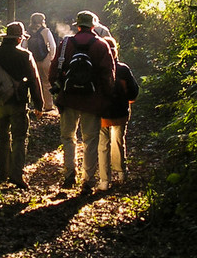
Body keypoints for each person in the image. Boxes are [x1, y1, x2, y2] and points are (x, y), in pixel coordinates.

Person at [49, 10, 115, 194]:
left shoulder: (66, 43)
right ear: (93, 25)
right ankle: (88, 180)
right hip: (92, 100)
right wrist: (107, 97)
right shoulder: (101, 45)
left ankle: (69, 174)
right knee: (90, 139)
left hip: (68, 97)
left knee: (68, 137)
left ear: (77, 25)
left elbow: (54, 69)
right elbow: (108, 74)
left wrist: (57, 88)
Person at [0, 21, 44, 189]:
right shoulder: (25, 55)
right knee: (19, 138)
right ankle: (16, 175)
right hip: (18, 102)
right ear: (19, 39)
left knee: (2, 138)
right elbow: (34, 81)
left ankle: (1, 174)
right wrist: (38, 104)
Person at [98, 36, 139, 190]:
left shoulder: (97, 69)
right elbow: (133, 92)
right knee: (118, 142)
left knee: (103, 145)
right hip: (120, 111)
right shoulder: (123, 69)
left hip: (101, 113)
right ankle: (121, 173)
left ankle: (104, 180)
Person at [24, 12, 57, 111]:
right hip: (45, 59)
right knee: (46, 82)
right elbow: (52, 46)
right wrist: (51, 57)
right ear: (42, 21)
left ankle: (36, 105)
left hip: (32, 59)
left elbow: (23, 46)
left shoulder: (27, 32)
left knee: (33, 82)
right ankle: (48, 105)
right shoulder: (46, 31)